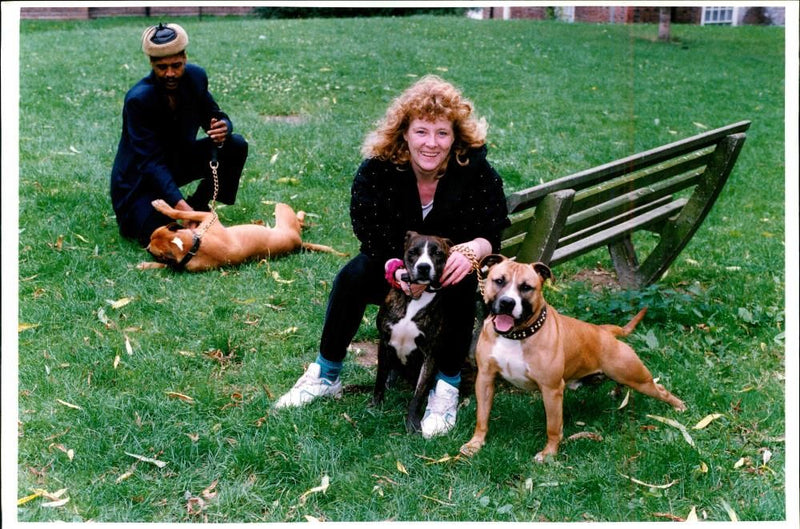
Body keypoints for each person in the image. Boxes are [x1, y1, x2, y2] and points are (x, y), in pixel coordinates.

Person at [275, 75, 510, 438]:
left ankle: (445, 389)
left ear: (456, 137)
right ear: (404, 133)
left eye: (442, 133)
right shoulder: (378, 170)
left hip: (449, 268)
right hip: (394, 261)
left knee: (460, 283)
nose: (431, 144)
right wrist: (396, 268)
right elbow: (369, 230)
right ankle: (326, 373)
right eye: (421, 132)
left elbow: (492, 228)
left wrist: (472, 250)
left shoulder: (475, 172)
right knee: (352, 276)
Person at [110, 22, 248, 247]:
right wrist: (181, 210)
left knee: (235, 145)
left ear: (185, 57)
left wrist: (223, 126)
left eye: (176, 65)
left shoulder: (195, 78)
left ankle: (200, 206)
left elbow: (213, 114)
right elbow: (150, 163)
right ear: (151, 63)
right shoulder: (138, 99)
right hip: (139, 181)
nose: (170, 73)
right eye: (162, 67)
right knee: (167, 238)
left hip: (176, 162)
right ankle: (186, 211)